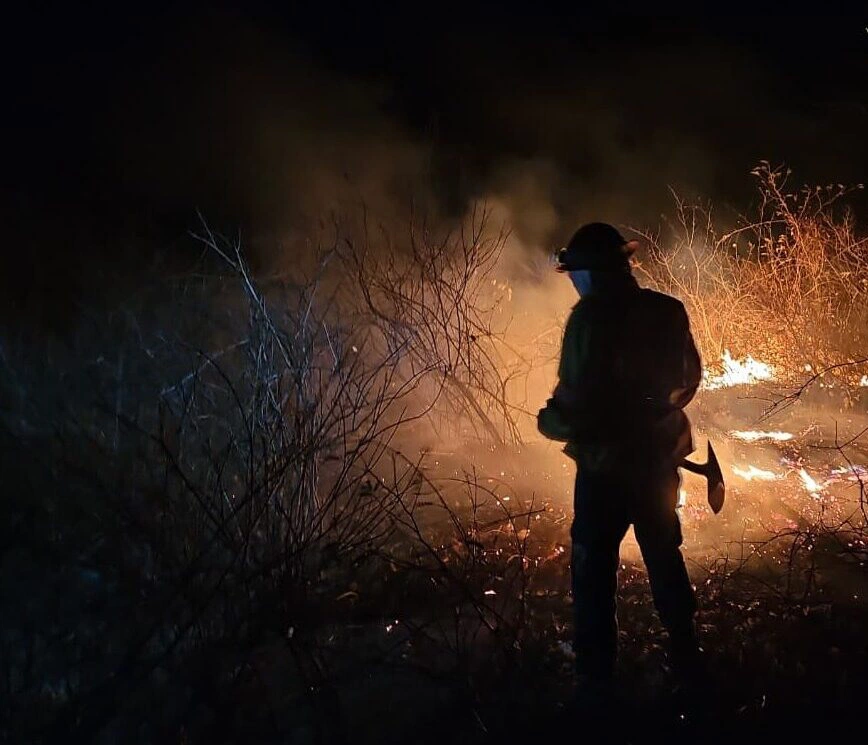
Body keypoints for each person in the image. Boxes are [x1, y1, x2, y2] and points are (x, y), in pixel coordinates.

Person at [537, 222, 704, 695]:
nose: (572, 280)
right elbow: (688, 382)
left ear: (591, 272)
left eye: (575, 272)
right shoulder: (668, 311)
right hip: (656, 465)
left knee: (593, 570)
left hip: (604, 471)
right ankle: (688, 655)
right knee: (664, 556)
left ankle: (595, 680)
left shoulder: (588, 320)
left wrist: (550, 422)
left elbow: (571, 406)